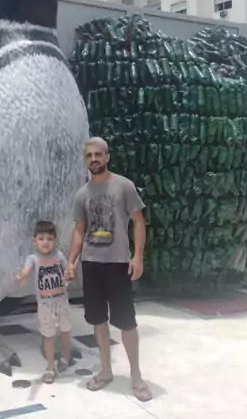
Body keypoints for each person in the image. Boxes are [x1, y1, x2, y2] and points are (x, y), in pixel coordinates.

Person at [65, 137, 152, 401]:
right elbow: (79, 230)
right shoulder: (82, 194)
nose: (93, 159)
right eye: (89, 155)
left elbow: (138, 222)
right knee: (97, 320)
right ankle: (105, 370)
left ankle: (136, 377)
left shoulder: (124, 186)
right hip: (91, 264)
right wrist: (71, 261)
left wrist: (137, 257)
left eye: (98, 154)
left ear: (107, 157)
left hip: (118, 265)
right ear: (85, 159)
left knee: (127, 322)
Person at [16, 221, 71, 384]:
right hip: (45, 305)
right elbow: (26, 270)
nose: (45, 242)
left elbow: (68, 270)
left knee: (65, 331)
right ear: (34, 241)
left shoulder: (59, 256)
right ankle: (50, 367)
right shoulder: (32, 258)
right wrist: (22, 276)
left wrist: (69, 275)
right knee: (48, 335)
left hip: (62, 302)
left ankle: (66, 357)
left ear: (55, 241)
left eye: (49, 238)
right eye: (41, 238)